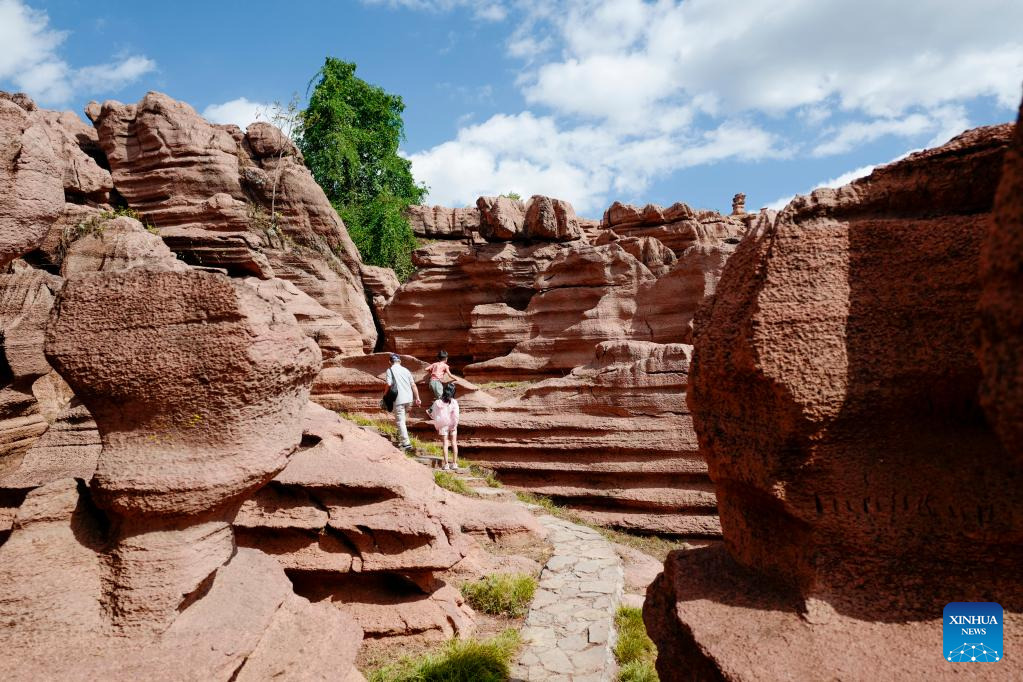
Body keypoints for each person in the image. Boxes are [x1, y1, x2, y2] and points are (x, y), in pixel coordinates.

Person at [384, 353, 420, 451]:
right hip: (409, 399)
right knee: (402, 420)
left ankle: (406, 443)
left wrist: (385, 394)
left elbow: (388, 383)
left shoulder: (389, 370)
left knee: (400, 421)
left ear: (390, 362)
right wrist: (417, 398)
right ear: (400, 361)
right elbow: (413, 385)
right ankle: (403, 438)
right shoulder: (406, 370)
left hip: (398, 399)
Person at [430, 382, 460, 469]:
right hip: (452, 424)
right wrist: (455, 424)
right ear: (453, 392)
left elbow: (433, 413)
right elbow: (456, 415)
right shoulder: (454, 402)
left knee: (445, 444)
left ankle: (446, 464)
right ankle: (454, 464)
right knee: (454, 443)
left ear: (444, 390)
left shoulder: (437, 402)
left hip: (443, 425)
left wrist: (438, 424)